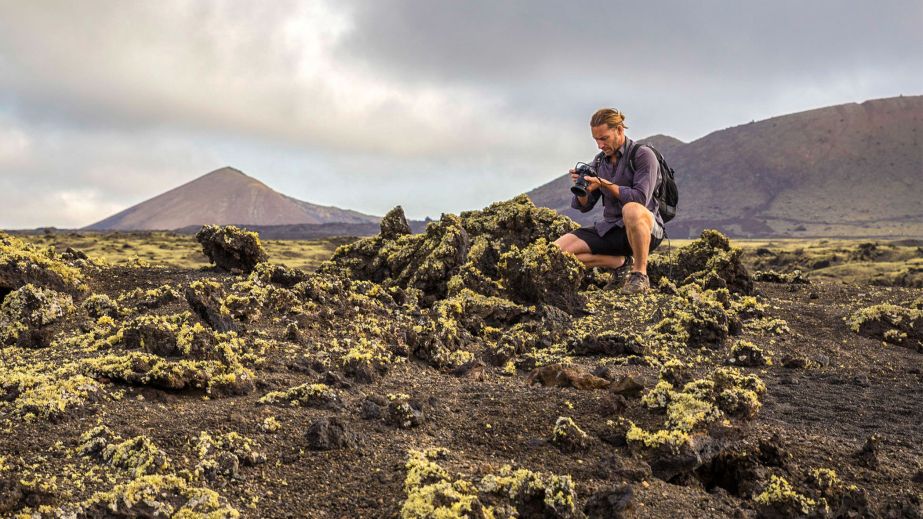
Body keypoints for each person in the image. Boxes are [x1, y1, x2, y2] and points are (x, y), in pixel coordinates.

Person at [553, 108, 664, 294]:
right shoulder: (599, 162)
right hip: (612, 228)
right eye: (596, 139)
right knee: (555, 252)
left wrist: (603, 183)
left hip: (646, 230)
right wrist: (584, 188)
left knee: (631, 210)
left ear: (619, 130)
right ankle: (621, 264)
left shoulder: (643, 155)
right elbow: (585, 206)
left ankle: (640, 275)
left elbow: (640, 198)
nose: (599, 145)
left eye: (604, 138)